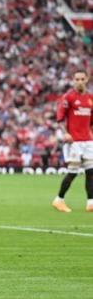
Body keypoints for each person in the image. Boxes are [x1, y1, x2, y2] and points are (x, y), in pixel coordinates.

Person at [52, 70, 93, 213]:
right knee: (73, 172)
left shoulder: (90, 98)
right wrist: (66, 133)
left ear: (87, 79)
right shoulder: (68, 97)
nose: (79, 81)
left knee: (91, 172)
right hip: (74, 141)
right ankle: (59, 200)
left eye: (82, 79)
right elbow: (59, 118)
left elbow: (91, 121)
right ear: (73, 80)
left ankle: (91, 202)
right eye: (77, 79)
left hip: (88, 141)